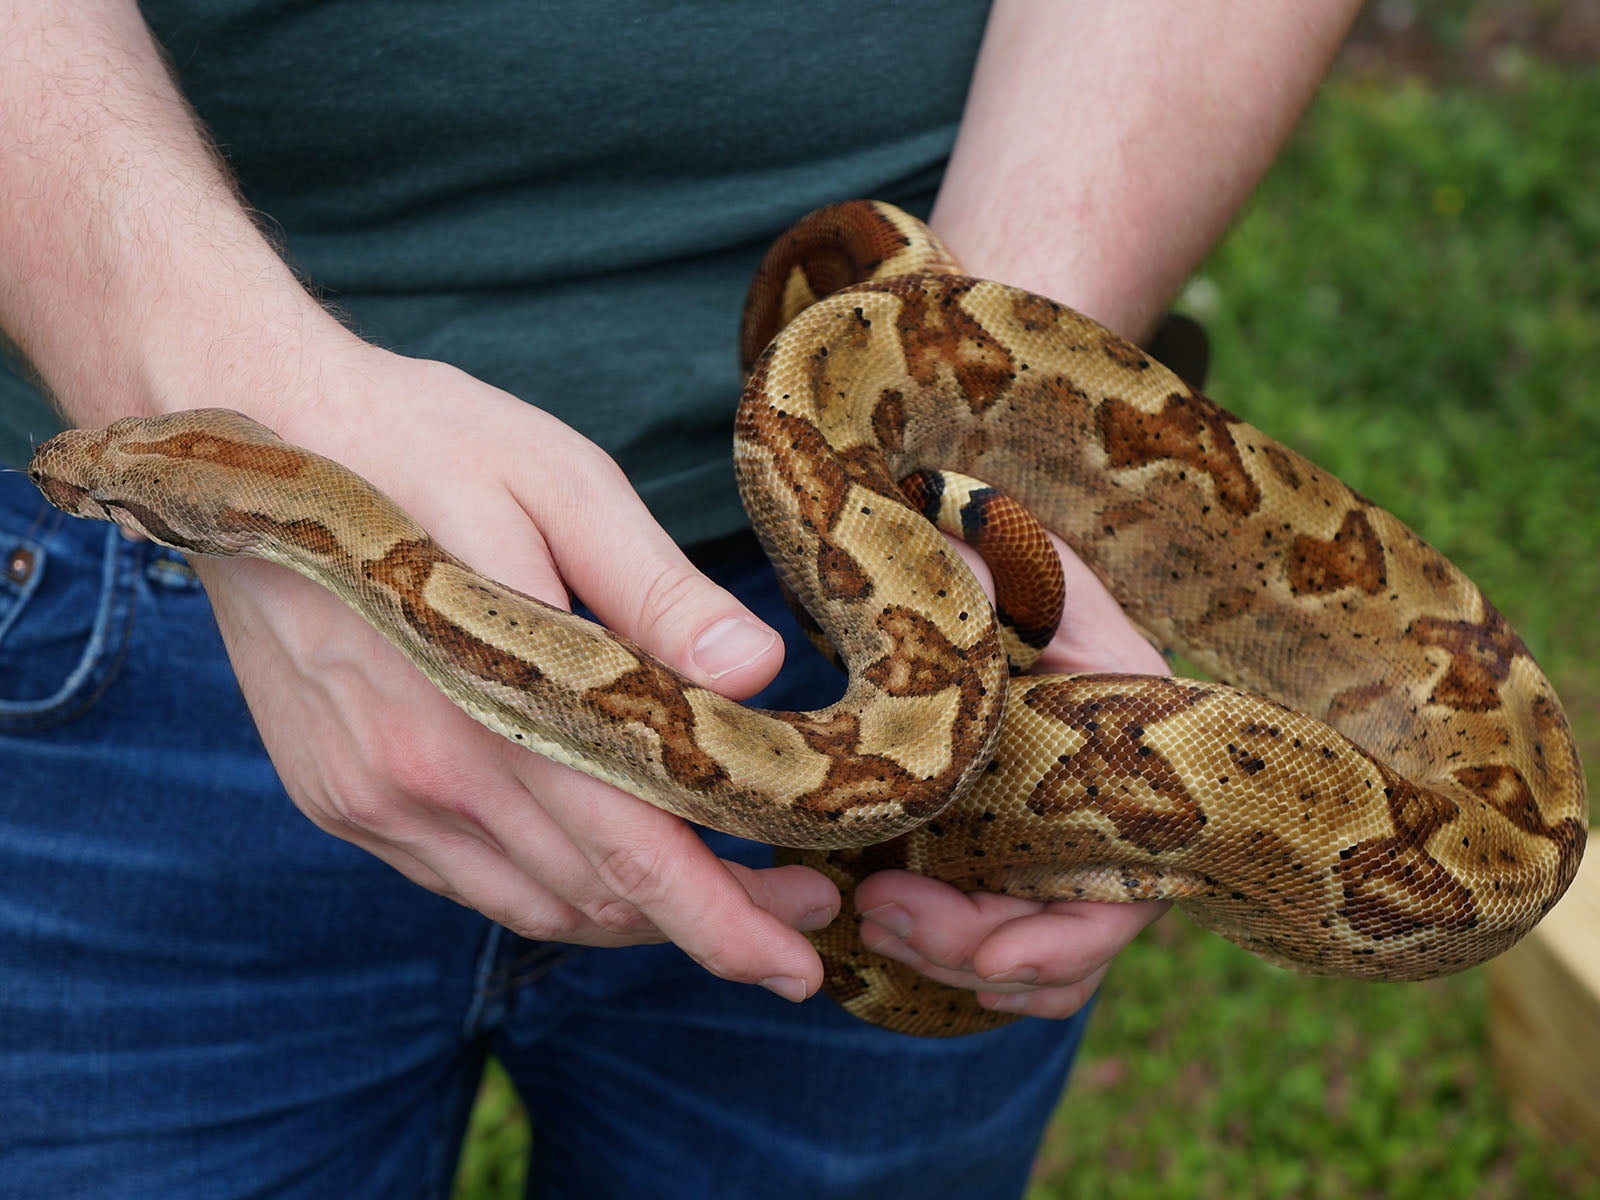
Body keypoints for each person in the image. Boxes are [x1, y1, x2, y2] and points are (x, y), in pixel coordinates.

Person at [0, 2, 1362, 1195]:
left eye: (121, 478)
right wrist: (163, 349)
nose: (102, 474)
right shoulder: (239, 500)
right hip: (119, 667)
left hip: (894, 596)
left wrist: (984, 446)